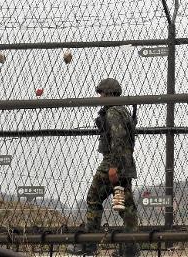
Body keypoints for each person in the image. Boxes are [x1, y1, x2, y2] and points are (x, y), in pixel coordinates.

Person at [71, 78, 139, 256]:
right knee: (125, 205)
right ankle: (130, 248)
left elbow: (118, 138)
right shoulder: (123, 110)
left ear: (108, 94)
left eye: (101, 93)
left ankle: (89, 244)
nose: (100, 97)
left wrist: (113, 167)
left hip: (112, 163)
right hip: (127, 165)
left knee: (94, 198)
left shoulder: (113, 113)